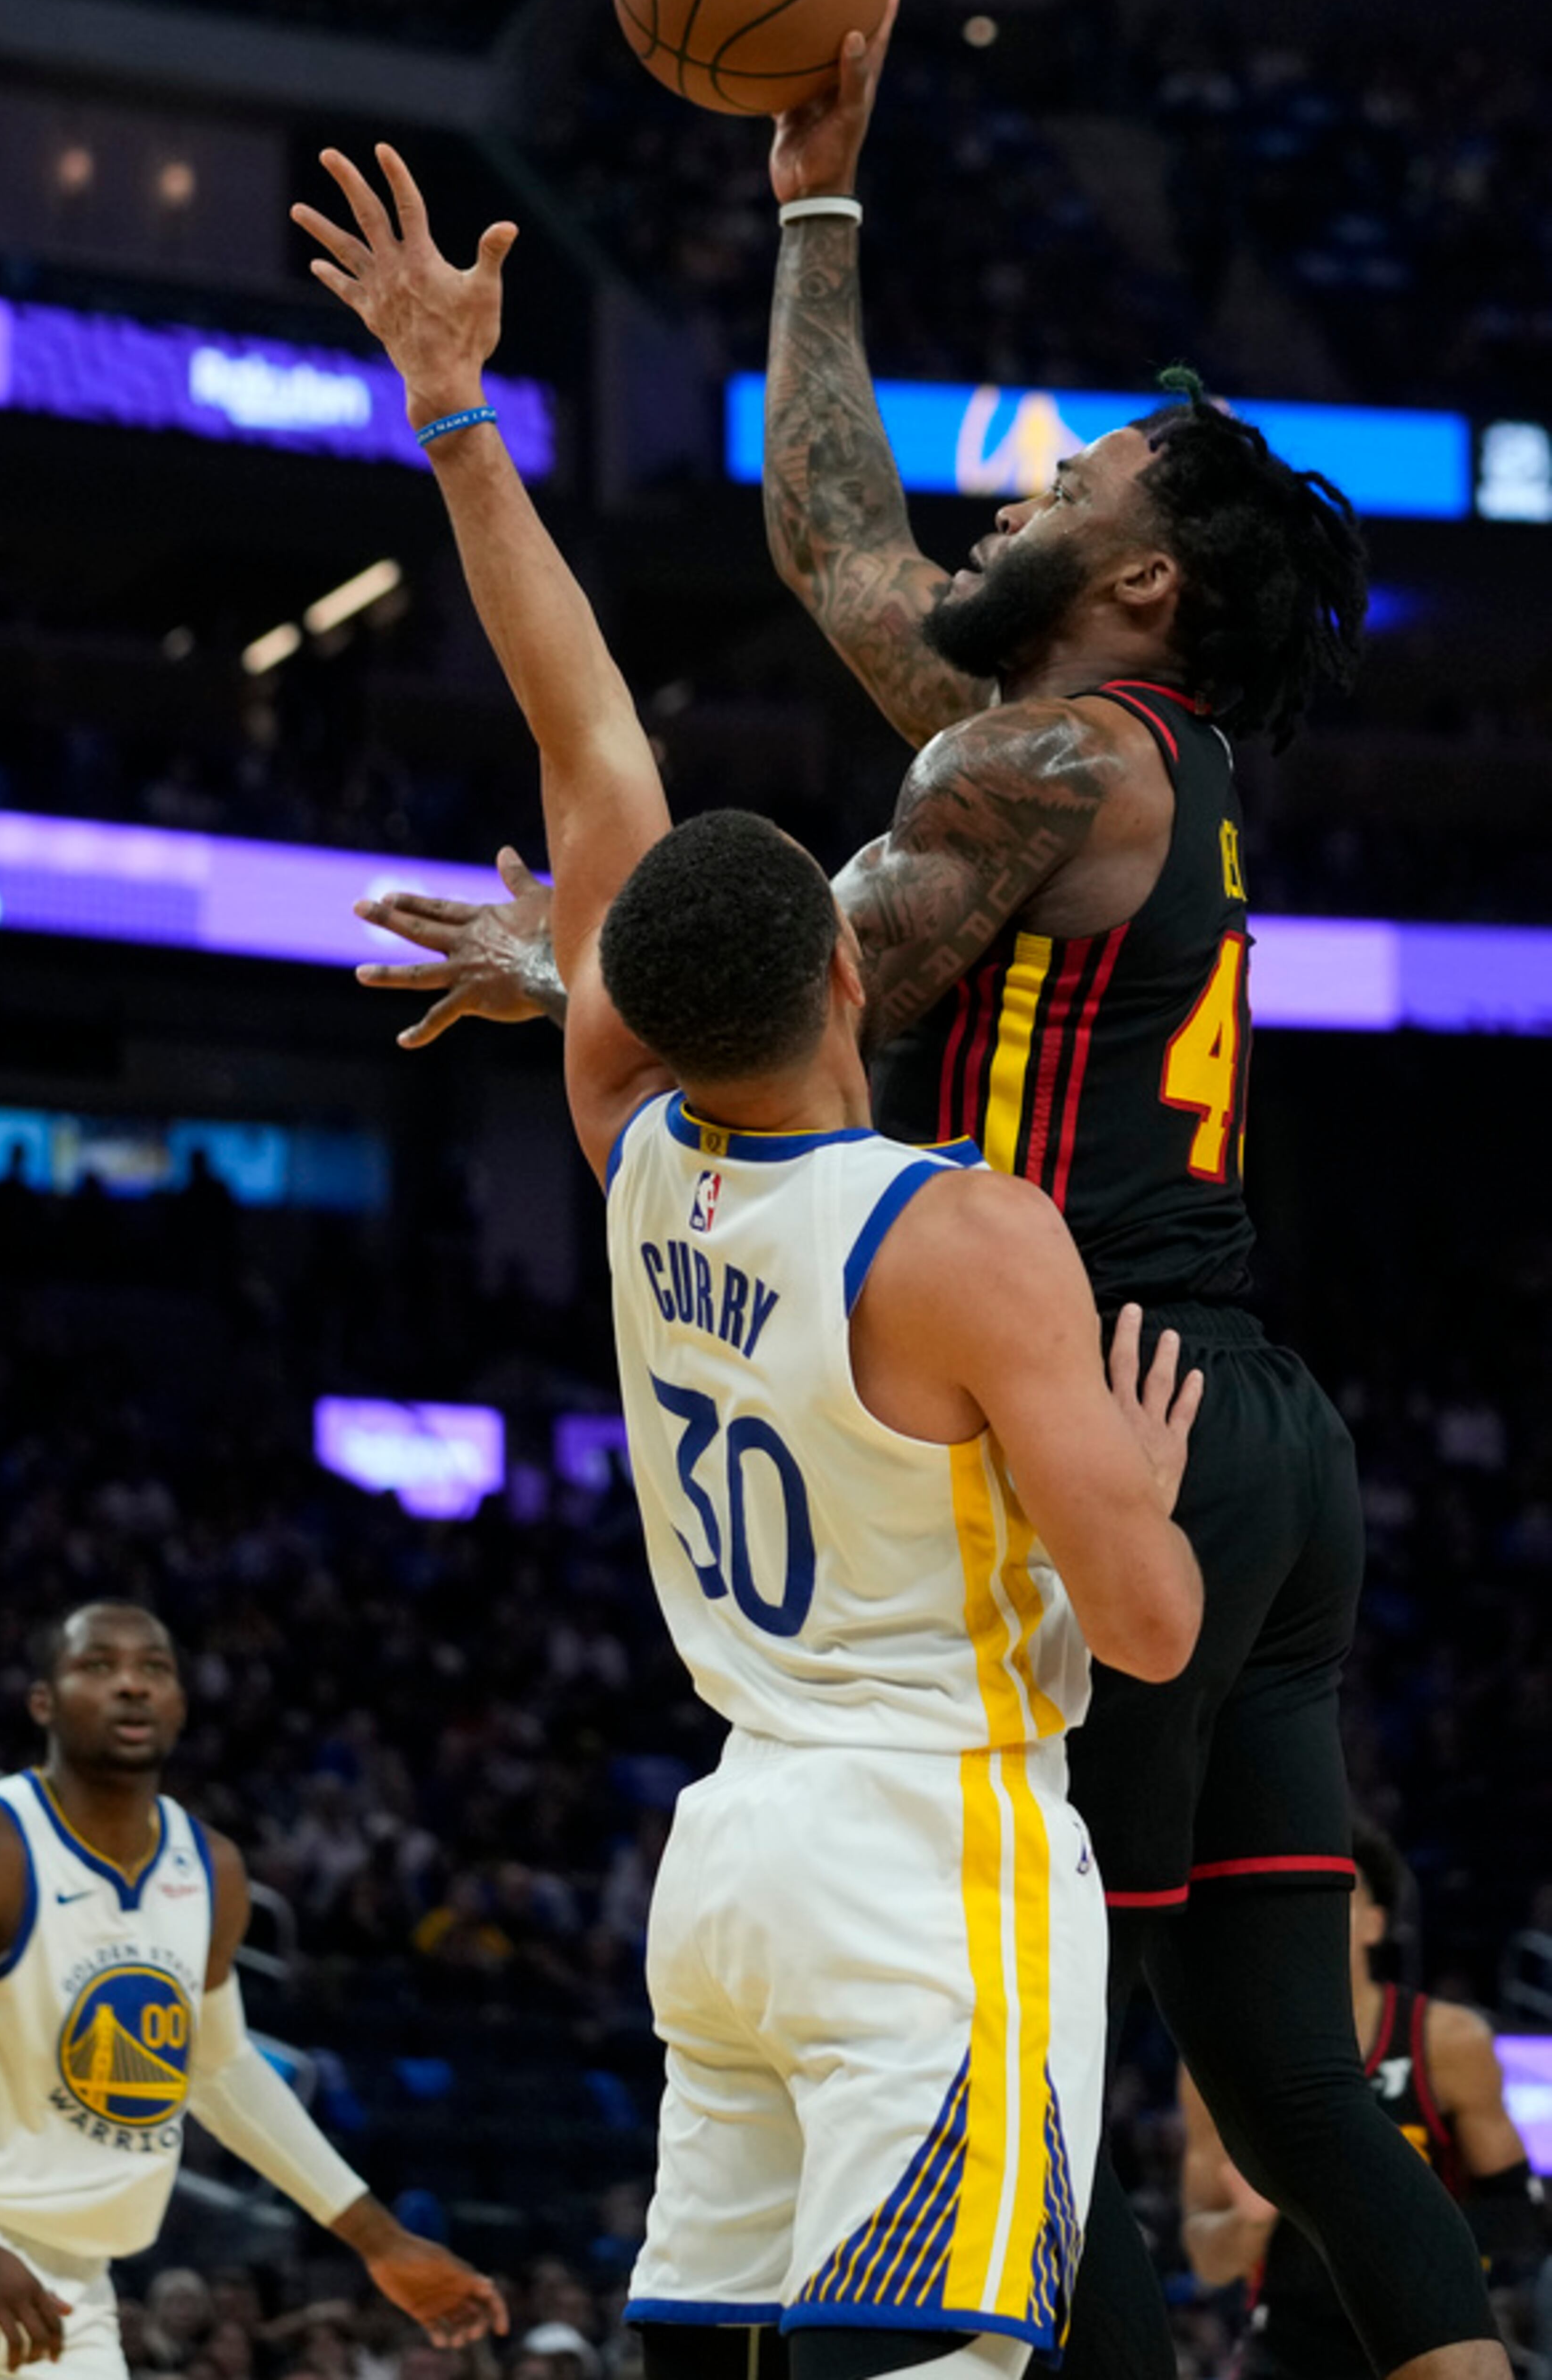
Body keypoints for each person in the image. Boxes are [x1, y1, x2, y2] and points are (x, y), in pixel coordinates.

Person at [337, 13, 1508, 2380]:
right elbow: (837, 546)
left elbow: (782, 968)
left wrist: (585, 947)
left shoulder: (1037, 759)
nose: (1029, 481)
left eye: (1077, 473)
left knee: (1042, 2056)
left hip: (1087, 1403)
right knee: (1297, 2073)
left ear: (1149, 582)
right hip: (1249, 1403)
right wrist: (815, 205)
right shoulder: (1097, 751)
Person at [293, 137, 1206, 2380]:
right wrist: (1145, 1491)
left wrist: (451, 419)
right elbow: (1156, 1632)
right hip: (926, 1860)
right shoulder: (972, 1236)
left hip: (728, 1867)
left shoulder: (625, 1132)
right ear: (840, 961)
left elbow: (578, 718)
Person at [0, 1601, 505, 2378]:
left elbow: (223, 2071)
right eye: (98, 1666)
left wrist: (380, 2237)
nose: (131, 1685)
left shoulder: (212, 1871)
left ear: (180, 1703)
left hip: (73, 2281)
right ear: (45, 1701)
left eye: (153, 1668)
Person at [1180, 1820, 1544, 2377]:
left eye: (1338, 1900)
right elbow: (1209, 2264)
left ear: (1376, 1923)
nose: (1314, 1918)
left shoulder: (1447, 2041)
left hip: (1428, 2337)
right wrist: (1249, 2224)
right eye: (1295, 1902)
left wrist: (1396, 2243)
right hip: (1288, 2349)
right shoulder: (1222, 2055)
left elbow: (1517, 2215)